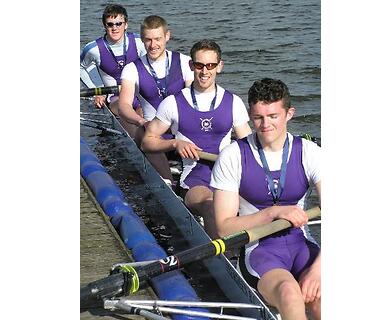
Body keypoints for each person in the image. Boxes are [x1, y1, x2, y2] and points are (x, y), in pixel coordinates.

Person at [210, 78, 321, 320]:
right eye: (258, 117)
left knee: (322, 296)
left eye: (273, 116)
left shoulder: (310, 152)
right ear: (250, 115)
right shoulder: (232, 156)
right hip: (259, 250)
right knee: (290, 293)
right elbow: (223, 227)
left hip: (302, 245)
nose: (265, 124)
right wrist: (274, 212)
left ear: (289, 114)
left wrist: (318, 271)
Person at [141, 39, 252, 239]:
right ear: (191, 66)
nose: (204, 71)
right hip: (195, 178)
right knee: (212, 204)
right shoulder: (173, 103)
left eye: (210, 65)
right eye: (199, 65)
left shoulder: (234, 102)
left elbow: (250, 147)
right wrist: (174, 143)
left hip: (227, 175)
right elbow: (147, 141)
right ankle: (224, 260)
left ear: (220, 67)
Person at [118, 15, 194, 181]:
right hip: (152, 131)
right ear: (142, 40)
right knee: (144, 132)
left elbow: (194, 97)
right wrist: (140, 121)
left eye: (158, 39)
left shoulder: (184, 62)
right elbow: (124, 105)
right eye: (148, 40)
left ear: (167, 36)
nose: (153, 45)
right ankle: (168, 183)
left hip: (181, 130)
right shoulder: (132, 69)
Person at [80, 4, 146, 115]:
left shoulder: (140, 42)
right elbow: (80, 67)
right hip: (114, 97)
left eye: (119, 24)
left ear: (126, 25)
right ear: (104, 26)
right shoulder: (93, 49)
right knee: (125, 108)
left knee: (143, 111)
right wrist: (96, 91)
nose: (114, 28)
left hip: (138, 93)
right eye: (110, 24)